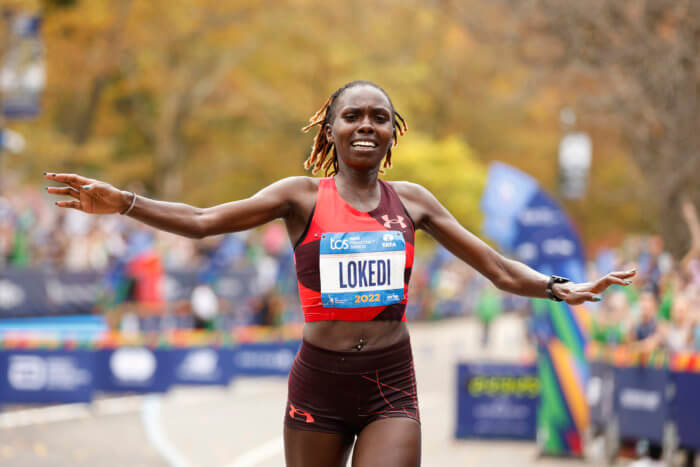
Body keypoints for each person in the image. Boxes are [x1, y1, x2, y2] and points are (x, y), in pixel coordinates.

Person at [45, 80, 635, 467]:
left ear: (391, 132)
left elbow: (498, 269)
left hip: (390, 383)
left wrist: (558, 288)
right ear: (329, 129)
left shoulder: (415, 202)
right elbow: (203, 220)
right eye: (351, 115)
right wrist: (124, 202)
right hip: (319, 385)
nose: (365, 125)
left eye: (379, 117)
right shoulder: (300, 196)